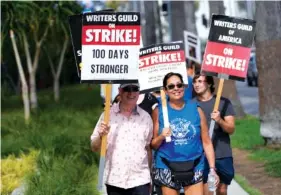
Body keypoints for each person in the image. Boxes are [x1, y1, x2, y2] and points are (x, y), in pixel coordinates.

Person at [151, 72, 219, 195]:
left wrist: (212, 169)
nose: (176, 88)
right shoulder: (159, 111)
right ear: (165, 90)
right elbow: (154, 145)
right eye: (171, 86)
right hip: (167, 165)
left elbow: (206, 142)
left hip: (194, 165)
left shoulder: (196, 109)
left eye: (179, 85)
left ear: (184, 87)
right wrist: (161, 136)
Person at [91, 83, 153, 195]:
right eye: (127, 89)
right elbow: (94, 147)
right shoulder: (106, 116)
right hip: (114, 180)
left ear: (139, 92)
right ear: (120, 91)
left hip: (140, 180)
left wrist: (149, 177)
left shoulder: (146, 117)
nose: (131, 93)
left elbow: (147, 148)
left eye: (134, 89)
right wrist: (101, 136)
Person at [192, 74, 235, 195]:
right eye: (194, 82)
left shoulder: (223, 102)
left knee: (222, 190)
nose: (196, 84)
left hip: (222, 153)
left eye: (200, 81)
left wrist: (220, 120)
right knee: (208, 190)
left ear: (210, 83)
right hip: (201, 155)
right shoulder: (191, 105)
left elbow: (231, 129)